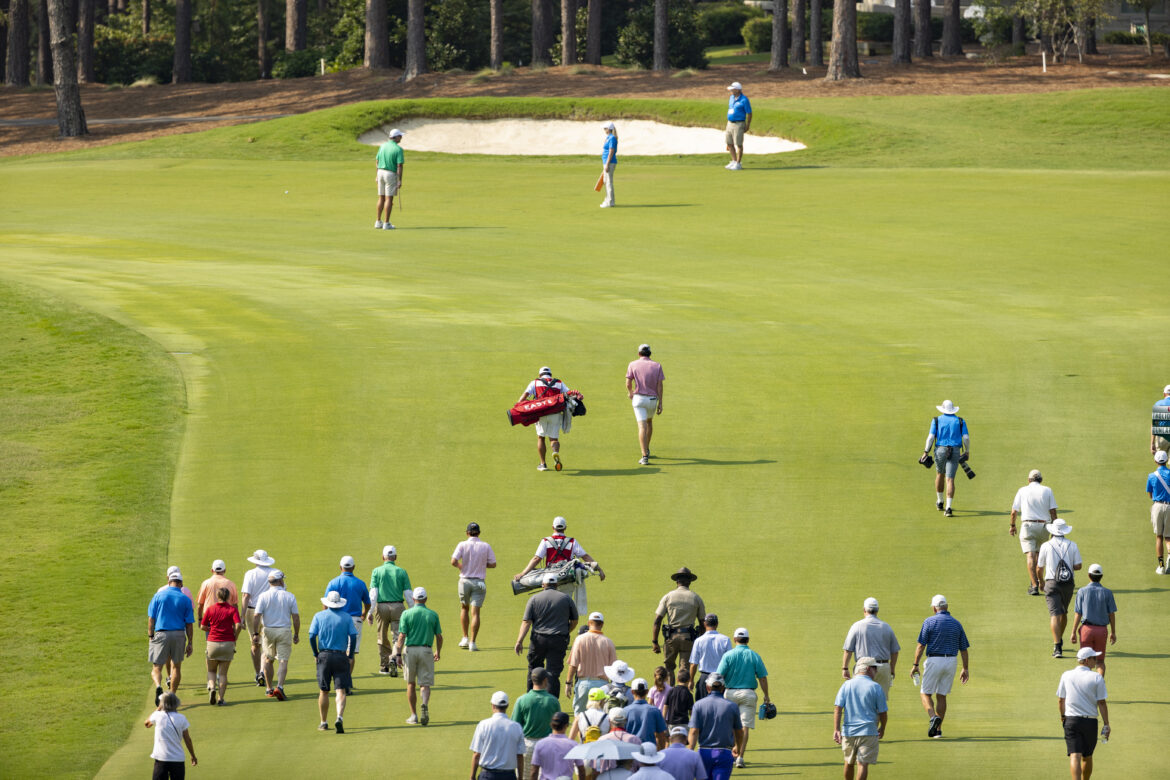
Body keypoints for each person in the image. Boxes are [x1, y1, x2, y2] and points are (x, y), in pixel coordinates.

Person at [514, 516, 606, 615]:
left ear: (553, 527)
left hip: (549, 580)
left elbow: (536, 559)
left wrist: (522, 574)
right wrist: (599, 569)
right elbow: (585, 557)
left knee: (550, 608)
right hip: (567, 579)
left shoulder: (546, 541)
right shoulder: (572, 542)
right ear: (565, 528)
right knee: (564, 608)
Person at [910, 594, 970, 739]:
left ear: (934, 608)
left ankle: (932, 718)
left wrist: (915, 664)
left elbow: (921, 645)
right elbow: (963, 648)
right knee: (941, 695)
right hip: (951, 661)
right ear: (947, 607)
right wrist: (965, 668)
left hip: (934, 660)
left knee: (925, 693)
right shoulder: (956, 623)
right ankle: (938, 731)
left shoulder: (929, 622)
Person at [515, 572, 578, 696]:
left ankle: (531, 698)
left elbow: (526, 622)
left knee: (534, 670)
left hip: (538, 640)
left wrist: (519, 641)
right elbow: (574, 621)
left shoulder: (534, 598)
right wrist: (566, 631)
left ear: (543, 584)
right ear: (557, 584)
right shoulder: (566, 599)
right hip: (559, 639)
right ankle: (552, 705)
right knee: (553, 673)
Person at [715, 627, 770, 768]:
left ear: (734, 639)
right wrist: (766, 696)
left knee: (729, 725)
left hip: (730, 693)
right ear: (748, 640)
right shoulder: (754, 655)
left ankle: (731, 752)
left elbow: (719, 675)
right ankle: (740, 757)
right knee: (744, 726)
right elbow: (762, 678)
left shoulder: (728, 655)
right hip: (748, 694)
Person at [1057, 647, 1110, 780]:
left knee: (1075, 755)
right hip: (1090, 722)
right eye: (1094, 658)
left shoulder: (1066, 675)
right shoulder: (1097, 677)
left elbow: (1060, 700)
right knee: (1087, 756)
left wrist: (1063, 716)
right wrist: (1106, 724)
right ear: (1087, 660)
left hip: (1071, 721)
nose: (1096, 661)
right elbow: (1101, 702)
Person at [309, 590, 358, 733]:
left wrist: (315, 653)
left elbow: (312, 636)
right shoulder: (347, 617)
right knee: (340, 690)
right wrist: (350, 656)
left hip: (324, 655)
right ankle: (339, 717)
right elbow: (353, 637)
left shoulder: (319, 616)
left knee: (324, 691)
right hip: (341, 656)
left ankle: (323, 722)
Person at [833, 657, 888, 780]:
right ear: (868, 668)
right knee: (862, 764)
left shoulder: (847, 685)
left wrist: (836, 729)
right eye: (874, 668)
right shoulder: (876, 687)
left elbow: (838, 708)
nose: (876, 671)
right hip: (868, 732)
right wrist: (882, 728)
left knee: (848, 762)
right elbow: (883, 712)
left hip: (848, 732)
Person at [395, 586, 442, 725]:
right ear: (425, 599)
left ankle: (414, 715)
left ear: (413, 599)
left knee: (410, 683)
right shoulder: (432, 614)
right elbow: (439, 636)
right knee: (425, 683)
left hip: (410, 651)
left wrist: (398, 654)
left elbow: (402, 636)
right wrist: (438, 651)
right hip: (426, 650)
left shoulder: (406, 614)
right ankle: (425, 704)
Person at [1037, 518, 1083, 658]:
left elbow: (1039, 568)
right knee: (1063, 612)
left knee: (1054, 613)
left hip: (1051, 582)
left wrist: (1040, 582)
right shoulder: (1072, 545)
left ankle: (1057, 646)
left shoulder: (1046, 546)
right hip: (1068, 583)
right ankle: (1059, 640)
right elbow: (1078, 566)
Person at [147, 569, 194, 705]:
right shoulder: (185, 599)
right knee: (176, 667)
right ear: (181, 584)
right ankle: (171, 696)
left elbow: (151, 619)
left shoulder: (158, 596)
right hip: (179, 634)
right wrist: (190, 642)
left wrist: (151, 635)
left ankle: (158, 686)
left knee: (157, 667)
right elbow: (189, 624)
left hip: (161, 633)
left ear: (169, 582)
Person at [652, 568, 705, 686]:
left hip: (671, 637)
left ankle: (670, 694)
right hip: (688, 638)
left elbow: (657, 621)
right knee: (684, 669)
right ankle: (683, 694)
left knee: (669, 668)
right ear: (690, 581)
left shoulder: (668, 597)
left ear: (677, 581)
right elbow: (702, 623)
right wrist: (700, 643)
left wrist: (655, 642)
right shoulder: (696, 598)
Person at [1010, 469, 1059, 595]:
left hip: (1027, 526)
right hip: (1043, 526)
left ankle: (1034, 585)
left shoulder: (1022, 490)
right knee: (1039, 555)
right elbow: (1053, 512)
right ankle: (1039, 580)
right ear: (1041, 480)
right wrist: (1056, 528)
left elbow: (1014, 511)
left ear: (1029, 480)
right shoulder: (1047, 490)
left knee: (1030, 555)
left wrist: (1012, 525)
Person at [253, 569, 300, 700]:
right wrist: (296, 634)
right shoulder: (289, 596)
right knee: (283, 660)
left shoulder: (263, 596)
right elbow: (295, 617)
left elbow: (257, 616)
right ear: (280, 581)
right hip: (284, 630)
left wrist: (255, 633)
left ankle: (269, 689)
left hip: (268, 631)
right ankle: (279, 686)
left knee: (268, 659)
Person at [687, 673, 744, 780]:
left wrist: (690, 750)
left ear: (707, 687)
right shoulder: (732, 706)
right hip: (724, 753)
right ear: (723, 688)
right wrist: (738, 747)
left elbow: (694, 731)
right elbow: (739, 732)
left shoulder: (698, 705)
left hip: (703, 753)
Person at [841, 597, 900, 699]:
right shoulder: (886, 627)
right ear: (877, 611)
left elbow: (848, 650)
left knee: (862, 700)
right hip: (883, 667)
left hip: (863, 667)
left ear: (864, 610)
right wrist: (892, 669)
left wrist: (845, 668)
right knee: (880, 703)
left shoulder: (857, 626)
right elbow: (895, 651)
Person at [452, 521, 498, 652]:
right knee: (475, 613)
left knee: (464, 608)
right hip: (479, 583)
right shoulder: (485, 546)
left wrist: (461, 567)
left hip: (464, 581)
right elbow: (493, 564)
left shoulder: (462, 544)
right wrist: (482, 565)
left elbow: (453, 561)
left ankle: (465, 637)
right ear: (479, 533)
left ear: (467, 533)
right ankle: (472, 643)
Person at [368, 544, 413, 676]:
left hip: (381, 607)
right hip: (398, 607)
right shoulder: (402, 572)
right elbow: (409, 594)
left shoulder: (376, 571)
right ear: (395, 557)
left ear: (383, 557)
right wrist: (413, 611)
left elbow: (373, 594)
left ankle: (384, 666)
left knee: (382, 636)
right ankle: (394, 657)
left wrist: (370, 611)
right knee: (397, 635)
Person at [923, 399, 969, 517]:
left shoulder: (936, 420)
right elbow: (966, 438)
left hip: (940, 450)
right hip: (955, 450)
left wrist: (925, 452)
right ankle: (948, 508)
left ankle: (940, 501)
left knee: (940, 474)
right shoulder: (960, 421)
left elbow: (931, 437)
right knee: (950, 479)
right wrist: (967, 451)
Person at [324, 555, 370, 673]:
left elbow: (326, 603)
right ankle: (347, 681)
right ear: (353, 567)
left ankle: (340, 680)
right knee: (350, 653)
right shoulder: (360, 583)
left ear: (340, 567)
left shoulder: (333, 582)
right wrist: (363, 614)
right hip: (355, 620)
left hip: (337, 619)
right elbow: (367, 603)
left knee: (339, 650)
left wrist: (326, 617)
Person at [1069, 564, 1117, 676]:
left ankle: (1086, 686)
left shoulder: (1082, 591)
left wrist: (1073, 632)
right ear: (1101, 576)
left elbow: (1078, 613)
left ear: (1089, 575)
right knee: (1100, 661)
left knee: (1085, 661)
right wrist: (1113, 632)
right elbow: (1112, 614)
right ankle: (1099, 684)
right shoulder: (1108, 592)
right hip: (1101, 631)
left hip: (1086, 630)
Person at [565, 611, 617, 714]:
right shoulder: (608, 642)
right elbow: (614, 669)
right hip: (602, 686)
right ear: (602, 624)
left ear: (589, 623)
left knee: (580, 718)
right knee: (601, 718)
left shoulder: (579, 639)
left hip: (584, 684)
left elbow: (573, 664)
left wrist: (568, 683)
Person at [518, 367, 569, 472]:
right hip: (555, 414)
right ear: (550, 374)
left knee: (541, 437)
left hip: (540, 413)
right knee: (554, 439)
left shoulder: (535, 383)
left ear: (540, 374)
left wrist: (525, 405)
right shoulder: (559, 383)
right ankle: (555, 453)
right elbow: (569, 394)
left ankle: (543, 464)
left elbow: (522, 399)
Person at [199, 586, 242, 706]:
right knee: (223, 674)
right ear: (228, 597)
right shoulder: (232, 610)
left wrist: (210, 628)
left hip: (212, 642)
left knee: (211, 671)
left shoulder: (210, 609)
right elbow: (238, 625)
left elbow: (202, 626)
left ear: (217, 596)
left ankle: (212, 687)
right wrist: (235, 637)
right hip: (228, 643)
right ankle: (220, 699)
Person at [470, 691, 527, 780]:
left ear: (493, 705)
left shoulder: (483, 725)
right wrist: (520, 777)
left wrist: (472, 777)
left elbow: (477, 754)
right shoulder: (517, 727)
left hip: (487, 775)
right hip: (509, 776)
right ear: (507, 706)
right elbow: (519, 756)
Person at [240, 549, 276, 687]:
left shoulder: (250, 574)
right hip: (269, 610)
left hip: (252, 611)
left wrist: (242, 616)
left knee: (255, 642)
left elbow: (246, 596)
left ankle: (258, 673)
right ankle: (262, 671)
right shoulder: (274, 572)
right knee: (265, 642)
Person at [513, 668, 562, 769]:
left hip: (527, 745)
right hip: (547, 745)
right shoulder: (553, 701)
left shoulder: (521, 700)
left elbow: (514, 725)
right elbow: (559, 727)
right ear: (545, 680)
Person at [626, 345, 664, 465]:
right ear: (650, 354)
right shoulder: (657, 365)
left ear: (639, 354)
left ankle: (644, 455)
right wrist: (661, 403)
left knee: (642, 426)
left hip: (639, 400)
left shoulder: (632, 364)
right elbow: (660, 386)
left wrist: (630, 393)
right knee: (649, 423)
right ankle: (646, 449)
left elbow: (628, 383)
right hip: (652, 400)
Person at [144, 692, 196, 779]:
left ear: (162, 703)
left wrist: (158, 708)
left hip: (161, 759)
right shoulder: (182, 718)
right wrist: (193, 755)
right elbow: (188, 740)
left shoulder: (157, 715)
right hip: (178, 759)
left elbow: (147, 724)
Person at [688, 614, 731, 702]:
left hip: (705, 678)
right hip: (721, 679)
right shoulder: (725, 640)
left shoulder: (698, 641)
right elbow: (729, 662)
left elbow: (693, 664)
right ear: (717, 624)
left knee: (703, 706)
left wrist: (691, 680)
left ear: (704, 624)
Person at [530, 711, 585, 780]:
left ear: (551, 724)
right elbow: (581, 770)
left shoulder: (540, 744)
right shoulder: (573, 745)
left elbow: (534, 771)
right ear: (566, 725)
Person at [592, 706, 641, 775]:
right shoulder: (635, 740)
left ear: (609, 720)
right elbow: (639, 765)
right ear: (626, 720)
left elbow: (596, 767)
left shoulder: (602, 740)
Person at [624, 678, 669, 749]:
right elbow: (661, 736)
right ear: (647, 692)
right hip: (649, 752)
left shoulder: (625, 711)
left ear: (632, 692)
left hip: (630, 752)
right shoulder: (655, 711)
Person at [374, 128, 404, 230]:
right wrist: (400, 180)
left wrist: (376, 175)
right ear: (395, 137)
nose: (401, 137)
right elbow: (399, 165)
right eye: (400, 136)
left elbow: (377, 161)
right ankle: (386, 223)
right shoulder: (398, 149)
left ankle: (378, 221)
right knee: (389, 199)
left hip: (380, 172)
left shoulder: (382, 146)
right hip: (390, 174)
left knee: (381, 197)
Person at [1146, 449, 1170, 573]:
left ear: (1156, 461)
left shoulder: (1151, 476)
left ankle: (1161, 566)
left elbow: (1150, 495)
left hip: (1158, 506)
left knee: (1159, 536)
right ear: (1166, 461)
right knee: (1168, 537)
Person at [194, 559, 238, 624]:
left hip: (210, 618)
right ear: (224, 570)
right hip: (227, 618)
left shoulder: (206, 583)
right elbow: (235, 605)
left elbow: (200, 604)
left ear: (212, 570)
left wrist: (200, 619)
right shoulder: (231, 584)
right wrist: (235, 622)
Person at [724, 82, 751, 170]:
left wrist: (747, 125)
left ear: (738, 90)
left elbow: (749, 113)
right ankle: (734, 161)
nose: (731, 90)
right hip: (730, 123)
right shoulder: (731, 98)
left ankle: (738, 164)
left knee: (739, 144)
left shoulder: (744, 99)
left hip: (739, 123)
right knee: (729, 143)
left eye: (733, 89)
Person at [662, 668, 694, 736]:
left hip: (671, 722)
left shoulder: (671, 691)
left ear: (677, 679)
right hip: (684, 722)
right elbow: (691, 712)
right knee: (683, 741)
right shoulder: (689, 694)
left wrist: (663, 720)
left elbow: (665, 707)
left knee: (673, 741)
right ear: (688, 680)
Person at [600, 121, 618, 208]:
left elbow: (611, 151)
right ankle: (607, 200)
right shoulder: (608, 137)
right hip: (606, 162)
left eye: (605, 128)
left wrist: (607, 164)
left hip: (610, 162)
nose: (604, 130)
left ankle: (610, 202)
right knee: (605, 181)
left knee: (608, 182)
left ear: (609, 129)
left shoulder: (612, 138)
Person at [1151, 383, 1170, 453]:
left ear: (1164, 394)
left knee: (1161, 459)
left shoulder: (1159, 404)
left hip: (1162, 437)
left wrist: (1152, 443)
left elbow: (1154, 424)